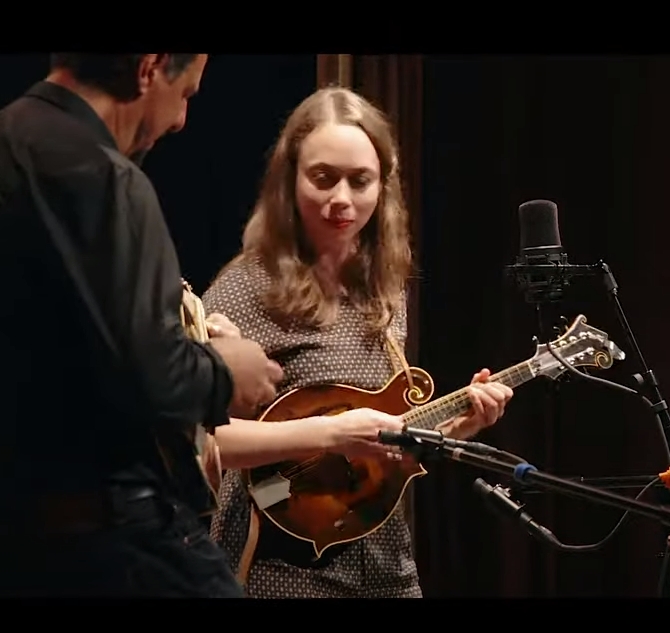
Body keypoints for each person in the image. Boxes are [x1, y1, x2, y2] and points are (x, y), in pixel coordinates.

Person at [0, 53, 285, 597]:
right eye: (187, 95)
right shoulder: (101, 177)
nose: (180, 122)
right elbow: (152, 379)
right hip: (101, 548)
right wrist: (226, 372)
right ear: (149, 66)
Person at [199, 86, 515, 598]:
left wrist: (455, 428)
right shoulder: (248, 287)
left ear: (383, 186)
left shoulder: (385, 288)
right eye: (323, 179)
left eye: (359, 181)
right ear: (290, 180)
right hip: (282, 570)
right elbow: (204, 440)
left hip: (385, 565)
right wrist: (331, 432)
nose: (341, 199)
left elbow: (377, 455)